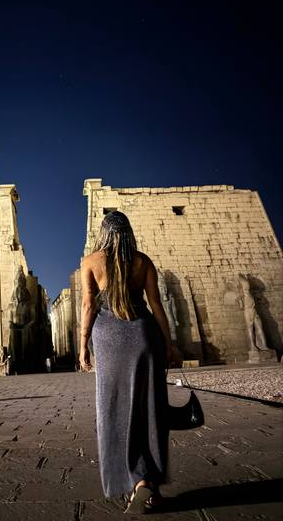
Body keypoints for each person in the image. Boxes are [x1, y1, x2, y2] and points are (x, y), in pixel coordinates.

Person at [79, 211, 182, 513]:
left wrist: (83, 345)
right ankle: (149, 485)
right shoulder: (143, 262)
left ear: (104, 233)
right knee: (151, 411)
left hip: (108, 340)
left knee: (114, 412)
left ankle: (130, 480)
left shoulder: (90, 262)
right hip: (143, 335)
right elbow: (157, 307)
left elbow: (88, 306)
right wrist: (169, 344)